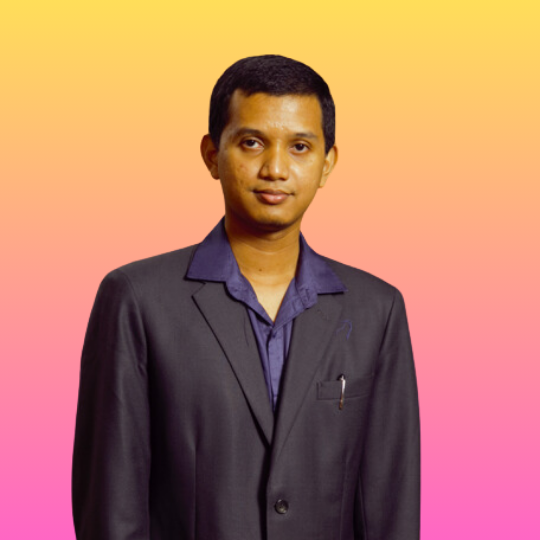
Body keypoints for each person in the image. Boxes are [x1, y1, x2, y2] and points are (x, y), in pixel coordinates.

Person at [72, 54, 421, 540]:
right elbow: (110, 508)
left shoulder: (376, 310)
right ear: (212, 154)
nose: (275, 168)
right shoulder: (137, 300)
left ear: (327, 164)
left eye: (300, 146)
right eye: (252, 142)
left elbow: (391, 507)